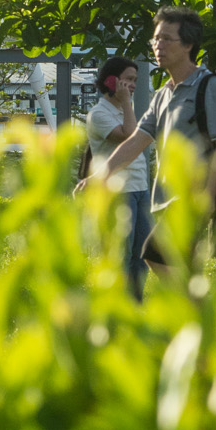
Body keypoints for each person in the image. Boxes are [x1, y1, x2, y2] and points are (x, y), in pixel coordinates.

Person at [99, 8, 216, 269]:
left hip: (192, 197)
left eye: (166, 39)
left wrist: (208, 196)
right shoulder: (163, 94)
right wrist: (101, 174)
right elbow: (137, 140)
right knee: (175, 265)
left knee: (155, 254)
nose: (158, 46)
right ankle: (205, 297)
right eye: (156, 39)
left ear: (188, 45)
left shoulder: (210, 87)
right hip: (166, 198)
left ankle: (199, 296)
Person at [85, 56, 153, 296]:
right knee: (121, 253)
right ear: (111, 81)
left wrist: (126, 105)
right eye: (128, 80)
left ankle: (135, 302)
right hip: (119, 190)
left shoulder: (126, 111)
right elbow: (129, 136)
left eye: (135, 80)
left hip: (140, 187)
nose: (133, 85)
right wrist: (126, 102)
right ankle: (116, 302)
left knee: (142, 252)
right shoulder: (98, 114)